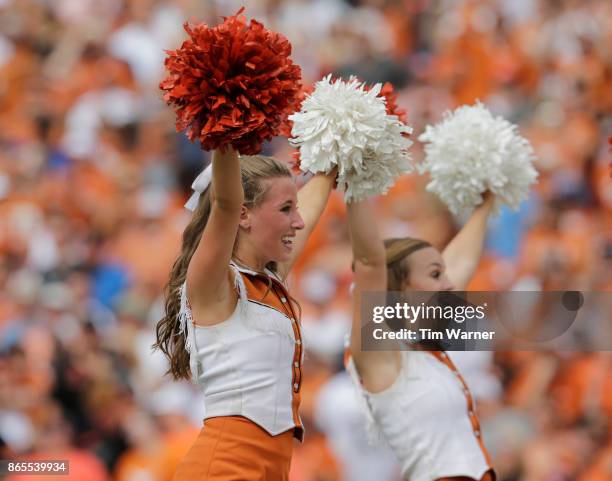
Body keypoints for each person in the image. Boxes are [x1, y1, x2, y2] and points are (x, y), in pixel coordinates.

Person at [154, 146, 334, 480]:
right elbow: (224, 203)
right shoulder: (215, 284)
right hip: (223, 469)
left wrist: (333, 165)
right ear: (243, 215)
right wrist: (228, 137)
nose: (298, 221)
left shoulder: (267, 281)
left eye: (295, 207)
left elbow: (309, 212)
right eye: (285, 209)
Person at [346, 191, 497, 481]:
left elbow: (461, 263)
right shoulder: (380, 349)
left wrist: (487, 202)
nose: (450, 282)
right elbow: (369, 262)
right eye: (436, 274)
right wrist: (357, 184)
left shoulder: (423, 339)